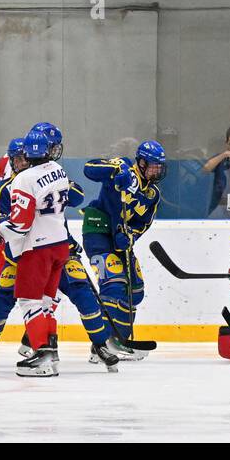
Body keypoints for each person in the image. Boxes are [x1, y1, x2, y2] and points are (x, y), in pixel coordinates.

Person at [0, 135, 120, 372]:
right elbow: (6, 219)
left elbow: (75, 197)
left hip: (56, 249)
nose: (22, 163)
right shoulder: (8, 188)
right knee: (2, 298)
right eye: (16, 159)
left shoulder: (47, 174)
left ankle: (98, 345)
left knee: (80, 291)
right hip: (21, 254)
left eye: (23, 158)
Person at [0, 130, 78, 377]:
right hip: (60, 245)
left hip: (36, 249)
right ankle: (51, 350)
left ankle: (42, 355)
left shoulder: (24, 179)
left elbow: (21, 224)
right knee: (46, 302)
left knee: (29, 301)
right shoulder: (58, 170)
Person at [82, 140, 168, 359]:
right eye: (153, 166)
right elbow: (89, 168)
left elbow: (143, 223)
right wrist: (115, 170)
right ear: (140, 162)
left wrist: (130, 236)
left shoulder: (153, 194)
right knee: (114, 284)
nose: (156, 171)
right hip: (98, 232)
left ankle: (122, 340)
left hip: (120, 239)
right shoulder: (124, 168)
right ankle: (103, 345)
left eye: (160, 166)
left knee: (135, 290)